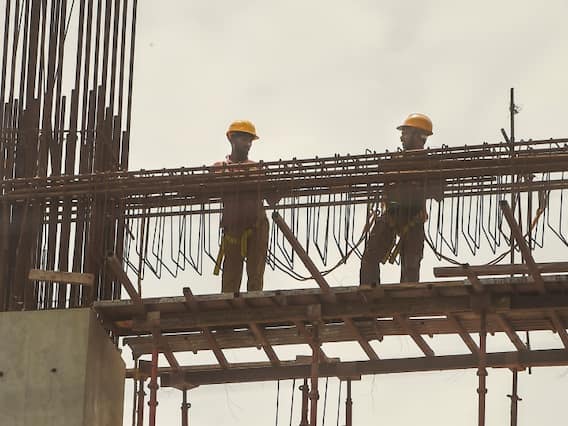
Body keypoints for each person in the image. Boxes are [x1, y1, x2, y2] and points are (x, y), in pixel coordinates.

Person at [359, 113, 441, 285]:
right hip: (391, 214)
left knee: (411, 265)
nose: (402, 137)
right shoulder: (394, 161)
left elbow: (439, 192)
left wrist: (420, 183)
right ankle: (369, 293)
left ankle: (407, 295)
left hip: (414, 218)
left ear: (418, 135)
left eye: (406, 133)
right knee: (369, 258)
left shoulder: (429, 163)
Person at [213, 120, 269, 294]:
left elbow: (273, 198)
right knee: (230, 275)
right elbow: (203, 192)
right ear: (231, 139)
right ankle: (227, 306)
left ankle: (255, 303)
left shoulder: (255, 169)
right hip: (233, 228)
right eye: (244, 139)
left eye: (250, 140)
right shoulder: (219, 169)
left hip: (257, 226)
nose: (248, 144)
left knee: (256, 274)